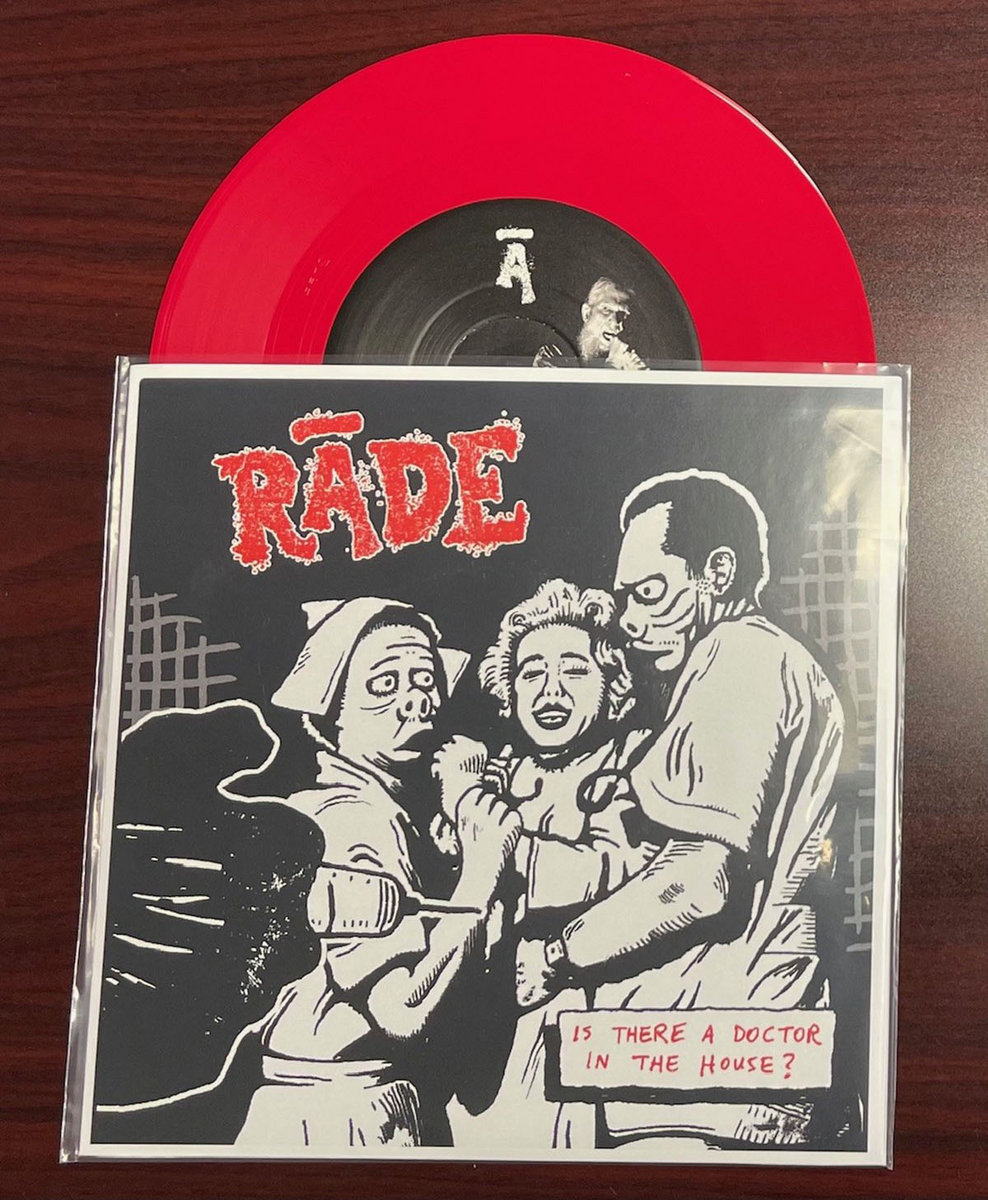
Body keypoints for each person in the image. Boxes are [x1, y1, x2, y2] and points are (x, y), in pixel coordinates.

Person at [514, 470, 846, 1149]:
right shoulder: (744, 667)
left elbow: (697, 881)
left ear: (717, 573)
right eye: (624, 599)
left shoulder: (742, 655)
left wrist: (554, 958)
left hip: (709, 1080)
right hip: (710, 1071)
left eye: (649, 593)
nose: (630, 622)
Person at [235, 597, 521, 1151]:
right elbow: (403, 1011)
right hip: (341, 1110)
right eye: (384, 685)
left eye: (426, 680)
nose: (416, 701)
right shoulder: (350, 820)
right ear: (331, 715)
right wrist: (483, 868)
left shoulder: (385, 813)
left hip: (356, 1099)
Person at [439, 580, 656, 1151]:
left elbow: (620, 867)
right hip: (485, 1017)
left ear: (612, 682)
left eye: (574, 671)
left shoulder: (632, 762)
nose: (549, 690)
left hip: (578, 1008)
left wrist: (494, 839)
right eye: (531, 673)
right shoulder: (505, 770)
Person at [534, 278, 647, 371]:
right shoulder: (553, 355)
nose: (615, 322)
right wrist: (613, 367)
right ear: (587, 314)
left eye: (622, 314)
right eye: (606, 309)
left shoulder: (630, 359)